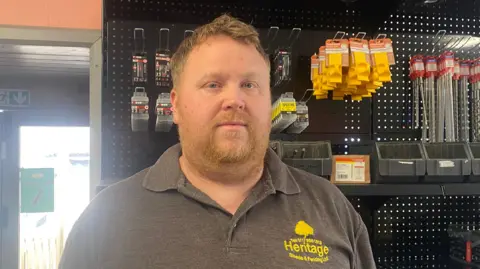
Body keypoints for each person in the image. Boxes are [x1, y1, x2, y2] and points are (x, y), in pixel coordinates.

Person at [59, 14, 376, 269]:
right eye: (213, 84)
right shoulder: (105, 219)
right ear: (176, 104)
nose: (235, 100)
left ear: (268, 103)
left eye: (249, 84)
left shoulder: (332, 209)